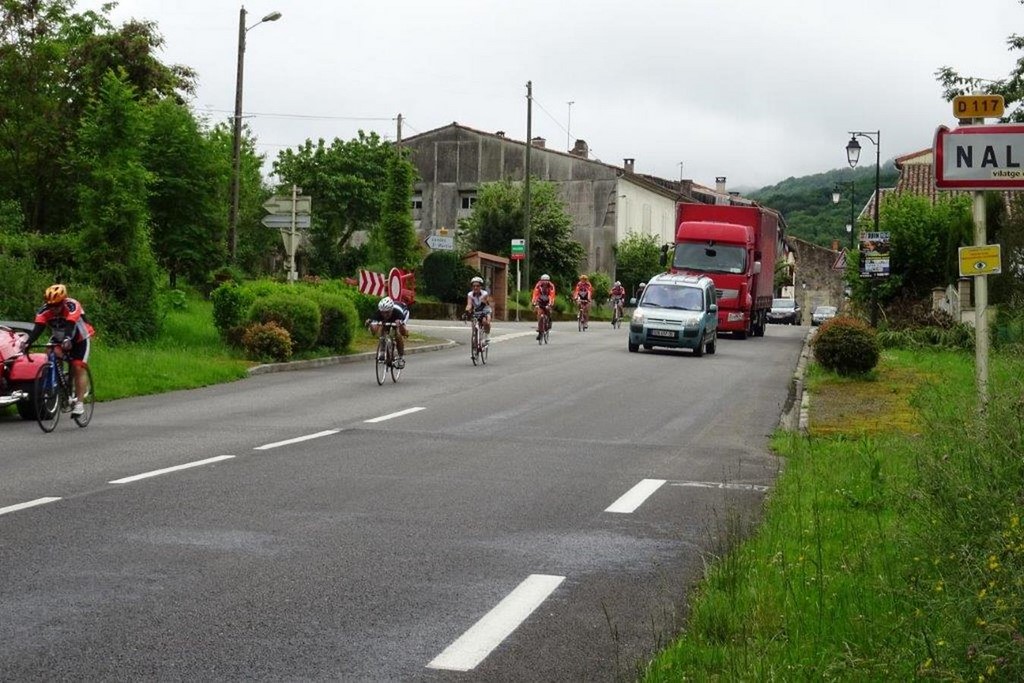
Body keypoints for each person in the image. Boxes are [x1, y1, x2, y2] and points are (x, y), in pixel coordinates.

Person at [21, 284, 95, 416]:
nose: (54, 308)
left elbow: (70, 324)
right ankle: (59, 383)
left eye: (57, 305)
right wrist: (28, 343)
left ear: (63, 301)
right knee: (50, 354)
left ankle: (79, 404)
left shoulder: (72, 305)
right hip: (59, 338)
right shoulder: (44, 311)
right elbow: (38, 328)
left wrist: (67, 338)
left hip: (80, 338)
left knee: (78, 367)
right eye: (51, 305)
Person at [366, 296, 410, 368]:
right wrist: (370, 324)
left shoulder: (398, 313)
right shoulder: (378, 313)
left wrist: (400, 325)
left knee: (398, 334)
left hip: (402, 311)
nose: (385, 315)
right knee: (384, 328)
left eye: (387, 312)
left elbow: (403, 331)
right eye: (382, 313)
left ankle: (401, 357)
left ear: (391, 310)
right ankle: (383, 350)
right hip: (391, 317)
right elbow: (374, 332)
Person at [464, 276, 493, 345]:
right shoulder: (470, 294)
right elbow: (469, 304)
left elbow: (483, 304)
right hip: (477, 309)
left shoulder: (484, 294)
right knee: (474, 323)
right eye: (473, 286)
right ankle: (475, 337)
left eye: (477, 286)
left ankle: (487, 335)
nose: (475, 288)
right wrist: (466, 311)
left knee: (485, 322)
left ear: (481, 287)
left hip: (485, 309)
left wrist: (483, 315)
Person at [531, 274, 556, 341]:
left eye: (546, 280)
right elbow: (535, 294)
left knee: (548, 310)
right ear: (541, 280)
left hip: (548, 299)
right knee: (539, 313)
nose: (544, 282)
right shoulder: (538, 285)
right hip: (541, 299)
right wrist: (534, 302)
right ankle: (540, 330)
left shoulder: (551, 286)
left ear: (548, 281)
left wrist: (550, 304)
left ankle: (549, 320)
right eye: (543, 280)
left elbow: (552, 295)